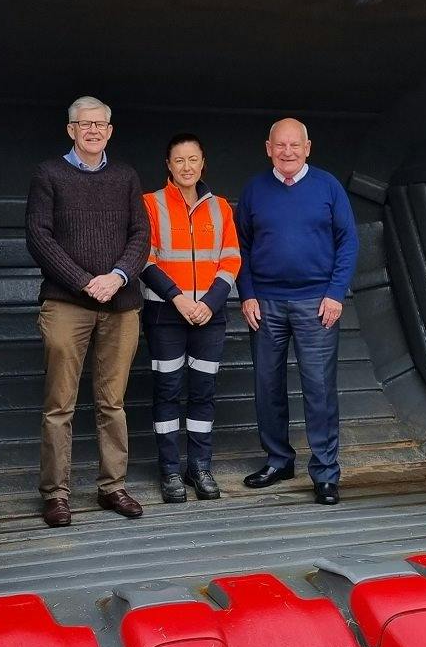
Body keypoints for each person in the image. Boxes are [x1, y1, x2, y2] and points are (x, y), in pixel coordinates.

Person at [24, 96, 150, 528]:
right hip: (66, 303)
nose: (93, 130)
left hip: (121, 303)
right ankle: (56, 494)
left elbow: (141, 235)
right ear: (71, 130)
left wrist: (116, 276)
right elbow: (39, 237)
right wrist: (83, 281)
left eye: (100, 124)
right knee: (59, 404)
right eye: (84, 123)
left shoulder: (126, 177)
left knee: (112, 402)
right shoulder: (49, 175)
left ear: (110, 131)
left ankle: (112, 486)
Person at [236, 118, 359, 505]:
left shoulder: (328, 186)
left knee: (320, 390)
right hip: (266, 303)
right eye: (280, 145)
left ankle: (325, 472)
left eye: (295, 145)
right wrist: (248, 295)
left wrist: (336, 293)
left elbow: (348, 242)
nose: (287, 152)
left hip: (317, 303)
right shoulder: (255, 189)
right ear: (268, 148)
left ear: (308, 147)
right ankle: (278, 460)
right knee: (266, 385)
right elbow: (239, 247)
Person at [139, 133, 242, 503]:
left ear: (203, 163)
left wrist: (210, 303)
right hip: (166, 312)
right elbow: (144, 260)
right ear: (168, 165)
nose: (187, 167)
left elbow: (231, 259)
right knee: (167, 391)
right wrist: (179, 299)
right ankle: (169, 471)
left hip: (208, 316)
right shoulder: (150, 203)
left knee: (203, 392)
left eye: (193, 159)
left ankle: (199, 467)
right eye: (179, 160)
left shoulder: (221, 208)